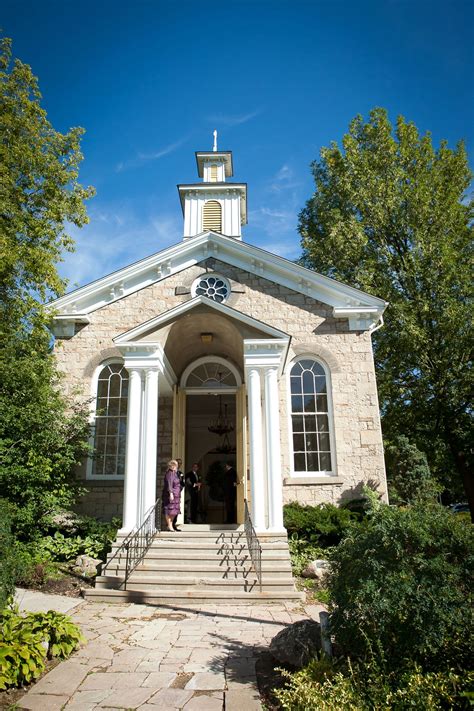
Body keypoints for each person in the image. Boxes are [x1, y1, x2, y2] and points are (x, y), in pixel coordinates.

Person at [162, 459, 181, 532]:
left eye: (176, 465)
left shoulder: (174, 473)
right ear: (172, 466)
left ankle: (170, 525)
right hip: (171, 495)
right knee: (169, 510)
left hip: (176, 495)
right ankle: (169, 526)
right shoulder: (169, 474)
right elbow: (169, 484)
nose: (176, 466)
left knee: (174, 511)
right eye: (175, 465)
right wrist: (171, 493)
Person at [172, 458, 185, 531]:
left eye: (180, 463)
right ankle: (170, 525)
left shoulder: (180, 473)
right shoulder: (171, 473)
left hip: (178, 494)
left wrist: (180, 488)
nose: (179, 465)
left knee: (176, 509)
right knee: (171, 510)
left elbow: (183, 483)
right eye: (178, 463)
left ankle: (174, 524)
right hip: (172, 494)